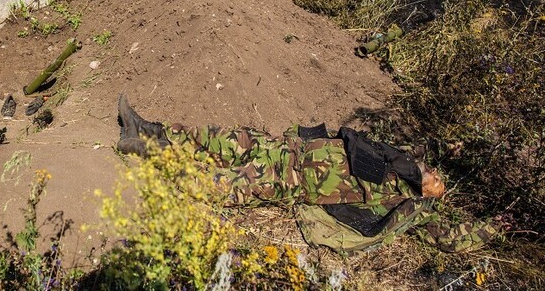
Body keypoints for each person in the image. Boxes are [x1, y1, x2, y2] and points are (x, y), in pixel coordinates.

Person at [115, 95, 501, 253]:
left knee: (226, 186)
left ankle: (149, 156)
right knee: (222, 139)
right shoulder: (399, 160)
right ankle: (148, 131)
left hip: (293, 180)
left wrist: (496, 227)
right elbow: (420, 149)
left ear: (432, 195)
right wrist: (446, 149)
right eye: (435, 172)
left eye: (437, 181)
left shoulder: (410, 204)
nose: (432, 174)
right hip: (291, 149)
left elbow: (451, 240)